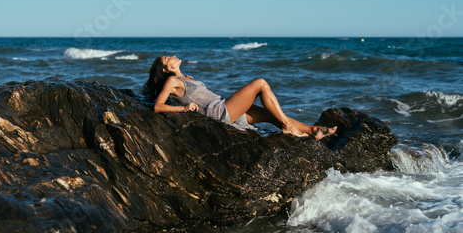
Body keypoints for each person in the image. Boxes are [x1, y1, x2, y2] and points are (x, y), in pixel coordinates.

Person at [142, 55, 337, 139]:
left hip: (223, 108)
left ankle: (315, 130)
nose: (171, 56)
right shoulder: (173, 81)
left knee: (271, 115)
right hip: (218, 112)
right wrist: (183, 108)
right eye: (167, 59)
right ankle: (289, 128)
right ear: (166, 69)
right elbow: (158, 107)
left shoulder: (187, 77)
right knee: (260, 83)